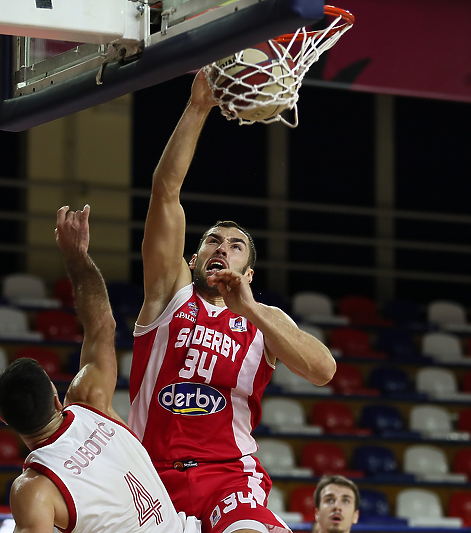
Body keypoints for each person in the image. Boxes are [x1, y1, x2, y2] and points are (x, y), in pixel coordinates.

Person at [0, 205, 200, 533]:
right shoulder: (90, 400)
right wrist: (76, 256)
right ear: (57, 400)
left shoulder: (34, 490)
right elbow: (102, 323)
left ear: (4, 419)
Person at [128, 69, 337, 533]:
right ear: (194, 256)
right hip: (147, 476)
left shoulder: (266, 320)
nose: (221, 247)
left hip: (229, 478)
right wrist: (198, 107)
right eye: (212, 240)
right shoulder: (169, 293)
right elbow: (165, 194)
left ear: (248, 272)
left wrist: (251, 311)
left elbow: (324, 370)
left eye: (235, 245)